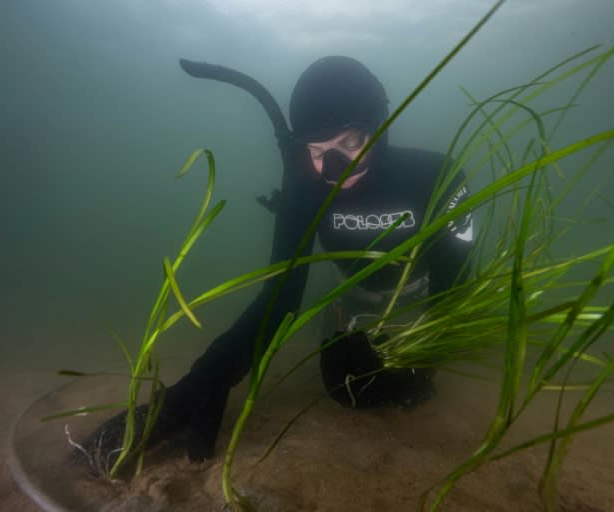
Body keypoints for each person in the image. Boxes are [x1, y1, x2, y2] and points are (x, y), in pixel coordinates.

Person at [85, 56, 473, 464]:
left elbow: (457, 284)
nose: (336, 169)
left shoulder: (435, 177)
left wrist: (426, 360)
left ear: (380, 130)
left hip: (422, 300)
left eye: (352, 142)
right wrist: (207, 378)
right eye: (318, 150)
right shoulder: (305, 190)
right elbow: (281, 297)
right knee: (345, 387)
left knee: (398, 390)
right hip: (358, 299)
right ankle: (343, 315)